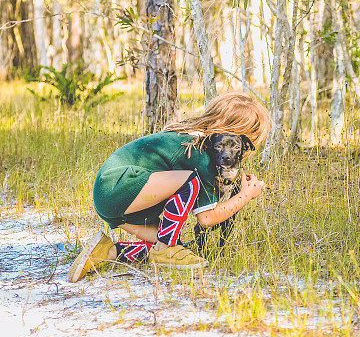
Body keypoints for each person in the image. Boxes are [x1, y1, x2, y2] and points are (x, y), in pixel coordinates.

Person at [68, 92, 270, 282]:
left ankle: (108, 252)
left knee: (172, 242)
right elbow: (207, 219)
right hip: (118, 187)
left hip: (113, 198)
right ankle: (166, 248)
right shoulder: (200, 153)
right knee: (189, 184)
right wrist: (245, 195)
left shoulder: (195, 139)